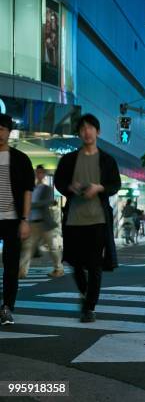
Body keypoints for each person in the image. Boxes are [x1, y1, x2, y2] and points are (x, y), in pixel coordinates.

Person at [54, 114, 121, 323]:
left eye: (91, 127)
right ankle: (85, 294)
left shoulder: (107, 160)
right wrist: (70, 188)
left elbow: (114, 184)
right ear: (79, 133)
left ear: (98, 132)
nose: (87, 131)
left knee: (94, 265)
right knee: (75, 262)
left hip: (98, 219)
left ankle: (89, 307)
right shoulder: (69, 159)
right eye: (83, 128)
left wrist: (99, 188)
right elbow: (59, 182)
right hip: (74, 219)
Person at [0, 113, 34, 325]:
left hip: (12, 219)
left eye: (2, 129)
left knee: (11, 266)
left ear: (9, 131)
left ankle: (6, 307)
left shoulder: (20, 159)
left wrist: (24, 219)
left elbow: (27, 192)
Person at [19, 165, 63, 279]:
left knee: (53, 247)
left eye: (40, 173)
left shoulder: (47, 189)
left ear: (43, 175)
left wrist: (31, 205)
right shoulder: (30, 188)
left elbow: (47, 202)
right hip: (32, 223)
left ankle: (58, 268)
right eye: (37, 172)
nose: (38, 175)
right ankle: (22, 271)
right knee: (27, 247)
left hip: (45, 223)